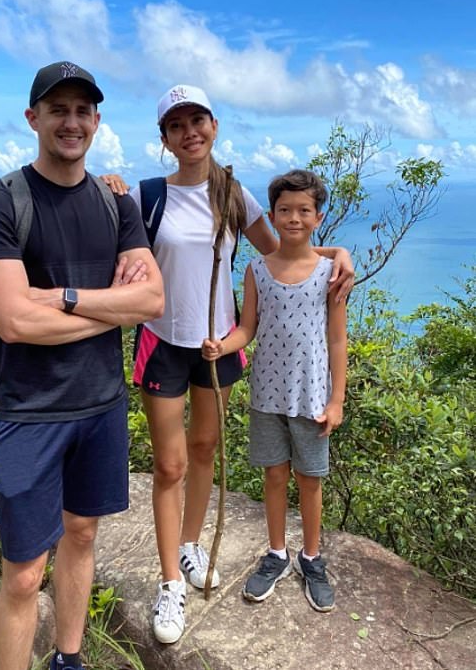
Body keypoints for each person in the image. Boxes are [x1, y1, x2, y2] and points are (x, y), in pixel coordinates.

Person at [103, 86, 353, 643]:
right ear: (164, 138)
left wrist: (340, 254)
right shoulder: (148, 196)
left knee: (203, 451)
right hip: (163, 339)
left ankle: (191, 545)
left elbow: (284, 251)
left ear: (213, 125)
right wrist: (108, 186)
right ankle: (171, 582)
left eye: (198, 120)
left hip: (220, 344)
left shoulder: (235, 194)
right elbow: (112, 241)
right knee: (168, 466)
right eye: (176, 125)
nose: (189, 131)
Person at [0, 61, 163, 670]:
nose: (71, 122)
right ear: (34, 119)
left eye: (83, 110)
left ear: (97, 121)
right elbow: (14, 322)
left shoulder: (115, 203)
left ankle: (68, 660)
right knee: (24, 575)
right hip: (30, 412)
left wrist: (65, 298)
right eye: (58, 110)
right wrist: (115, 310)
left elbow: (153, 300)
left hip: (101, 405)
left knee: (82, 536)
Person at [203, 169, 347, 613]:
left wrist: (337, 400)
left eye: (304, 210)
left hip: (311, 396)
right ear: (271, 214)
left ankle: (311, 557)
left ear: (319, 217)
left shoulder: (331, 274)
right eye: (285, 210)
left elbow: (338, 338)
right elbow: (248, 328)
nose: (294, 218)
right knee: (274, 475)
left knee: (310, 479)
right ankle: (277, 553)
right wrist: (221, 345)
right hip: (267, 394)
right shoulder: (256, 270)